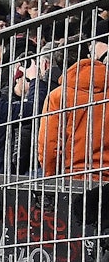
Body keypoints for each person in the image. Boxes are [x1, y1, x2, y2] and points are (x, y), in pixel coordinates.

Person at [38, 20, 109, 179]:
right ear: (89, 55)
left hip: (74, 180)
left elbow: (50, 146)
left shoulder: (58, 96)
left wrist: (51, 178)